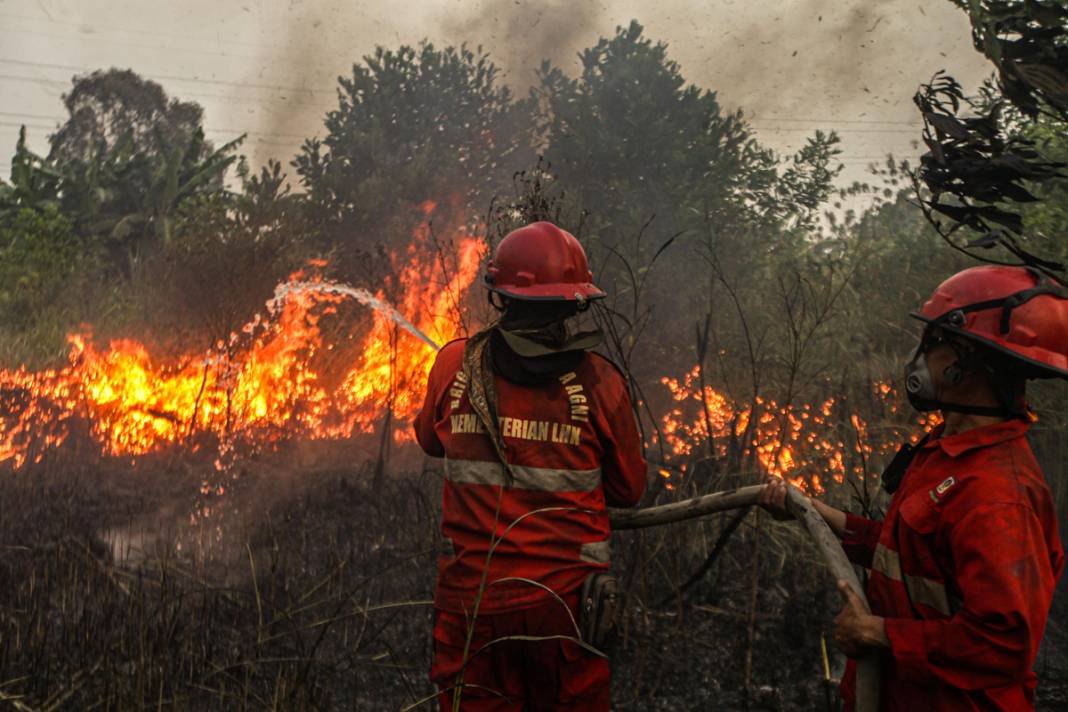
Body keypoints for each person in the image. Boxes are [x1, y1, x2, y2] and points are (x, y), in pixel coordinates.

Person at [761, 265, 1066, 711]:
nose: (920, 355)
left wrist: (880, 633)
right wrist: (816, 513)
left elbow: (1003, 644)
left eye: (933, 341)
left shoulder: (998, 495)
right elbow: (911, 557)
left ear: (964, 360)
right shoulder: (947, 450)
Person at [414, 221, 647, 711]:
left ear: (500, 296)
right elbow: (629, 490)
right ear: (575, 304)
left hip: (472, 608)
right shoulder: (600, 383)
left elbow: (429, 441)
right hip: (564, 611)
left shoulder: (455, 365)